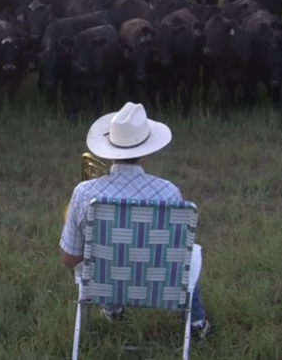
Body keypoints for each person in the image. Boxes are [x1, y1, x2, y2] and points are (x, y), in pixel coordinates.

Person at [60, 101, 211, 340]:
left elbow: (70, 259)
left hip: (104, 282)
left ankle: (112, 307)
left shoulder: (84, 193)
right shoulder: (168, 193)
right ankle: (196, 322)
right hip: (160, 286)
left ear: (110, 149)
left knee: (109, 252)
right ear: (146, 152)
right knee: (188, 256)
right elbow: (176, 253)